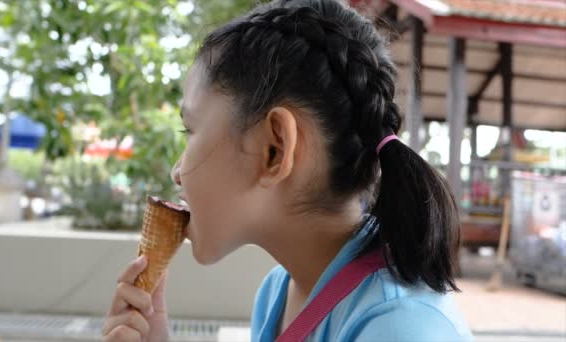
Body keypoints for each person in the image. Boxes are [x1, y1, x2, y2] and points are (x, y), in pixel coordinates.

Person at [102, 0, 473, 341]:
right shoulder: (279, 291)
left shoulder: (399, 328)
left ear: (275, 149)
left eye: (191, 131)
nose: (177, 172)